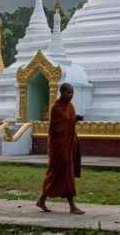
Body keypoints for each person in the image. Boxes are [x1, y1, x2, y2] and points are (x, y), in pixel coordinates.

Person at [36, 83, 84, 214]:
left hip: (68, 145)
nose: (71, 95)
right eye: (69, 92)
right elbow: (57, 129)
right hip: (59, 147)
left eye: (72, 93)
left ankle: (41, 200)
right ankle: (72, 206)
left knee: (57, 175)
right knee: (63, 174)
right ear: (61, 92)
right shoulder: (56, 108)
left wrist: (76, 119)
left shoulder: (70, 107)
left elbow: (68, 123)